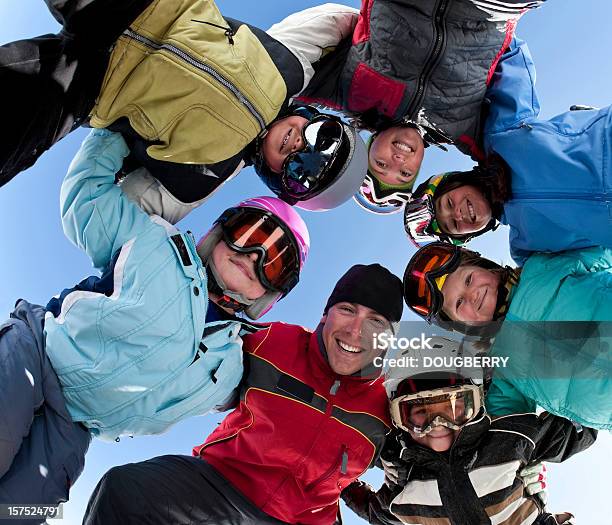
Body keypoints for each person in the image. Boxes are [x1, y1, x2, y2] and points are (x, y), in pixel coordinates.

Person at [0, 129, 310, 517]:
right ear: (222, 232)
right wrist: (122, 132)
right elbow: (88, 197)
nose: (252, 257)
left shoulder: (231, 366)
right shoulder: (155, 244)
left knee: (17, 511)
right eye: (251, 234)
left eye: (274, 262)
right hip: (34, 357)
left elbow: (296, 389)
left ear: (273, 291)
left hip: (74, 429)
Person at [82, 263, 404, 525]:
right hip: (220, 484)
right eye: (347, 310)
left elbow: (408, 468)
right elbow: (198, 345)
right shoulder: (273, 342)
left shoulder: (387, 406)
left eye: (376, 322)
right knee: (125, 491)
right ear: (325, 314)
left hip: (306, 519)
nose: (356, 331)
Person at [0, 0, 367, 212]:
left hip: (93, 84)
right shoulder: (291, 68)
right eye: (322, 137)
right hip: (151, 6)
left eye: (301, 170)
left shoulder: (207, 176)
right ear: (315, 117)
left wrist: (111, 161)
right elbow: (340, 22)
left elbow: (127, 209)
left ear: (277, 180)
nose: (300, 148)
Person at [282, 0, 545, 212]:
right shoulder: (464, 131)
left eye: (382, 164)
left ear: (370, 145)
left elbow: (281, 77)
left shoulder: (350, 92)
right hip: (489, 9)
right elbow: (521, 159)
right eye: (406, 172)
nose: (398, 160)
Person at [404, 39, 612, 263]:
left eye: (449, 203)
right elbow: (593, 266)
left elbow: (508, 49)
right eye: (453, 225)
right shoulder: (527, 249)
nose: (458, 214)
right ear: (467, 237)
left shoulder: (500, 137)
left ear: (454, 182)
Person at [340, 357, 596, 525]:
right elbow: (376, 511)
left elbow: (582, 425)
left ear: (474, 405)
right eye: (420, 414)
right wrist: (339, 483)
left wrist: (587, 392)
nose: (437, 425)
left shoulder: (508, 438)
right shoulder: (402, 478)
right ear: (401, 420)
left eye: (451, 408)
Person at [402, 242, 612, 430]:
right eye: (458, 303)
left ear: (486, 266)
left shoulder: (544, 267)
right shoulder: (501, 367)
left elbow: (604, 251)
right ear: (461, 325)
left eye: (468, 280)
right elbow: (506, 425)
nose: (471, 295)